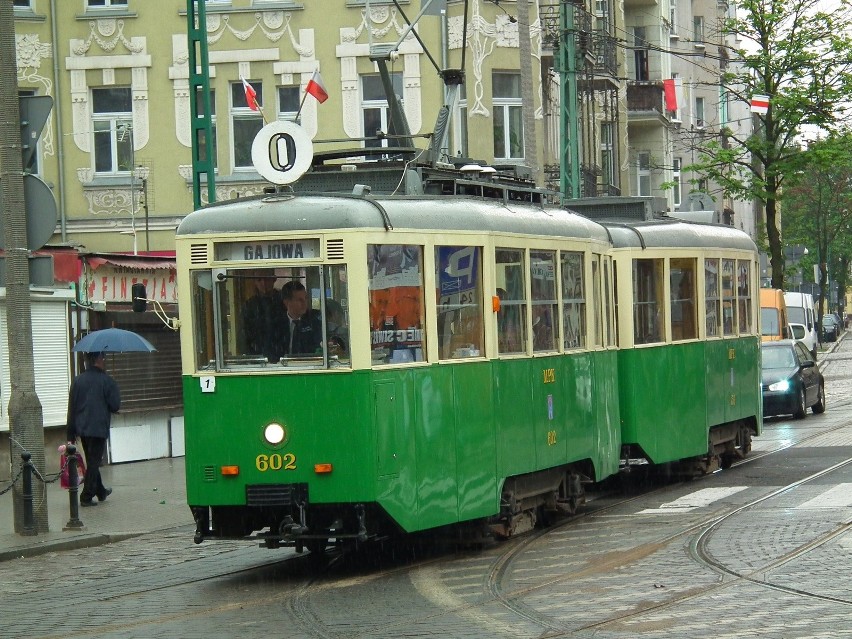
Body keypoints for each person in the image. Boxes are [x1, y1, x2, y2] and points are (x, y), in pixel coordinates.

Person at [65, 351, 121, 506]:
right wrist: (113, 388)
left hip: (82, 428)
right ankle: (86, 496)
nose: (105, 360)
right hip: (98, 428)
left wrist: (70, 433)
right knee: (94, 462)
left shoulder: (78, 381)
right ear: (98, 359)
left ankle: (101, 491)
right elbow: (115, 405)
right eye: (103, 357)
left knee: (91, 460)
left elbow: (72, 408)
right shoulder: (107, 381)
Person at [241, 269, 285, 362]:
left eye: (267, 279)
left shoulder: (284, 301)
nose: (263, 283)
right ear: (254, 282)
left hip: (283, 354)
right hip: (258, 356)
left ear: (274, 279)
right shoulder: (249, 305)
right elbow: (245, 334)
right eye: (259, 280)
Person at [281, 280, 322, 355]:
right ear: (287, 302)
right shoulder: (276, 324)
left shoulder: (314, 322)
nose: (304, 303)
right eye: (299, 300)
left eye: (305, 298)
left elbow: (318, 348)